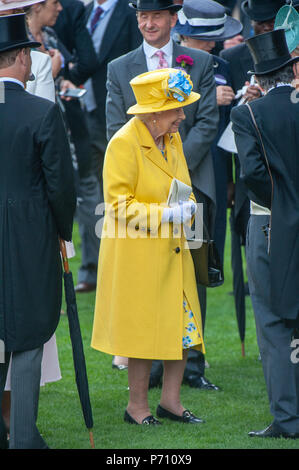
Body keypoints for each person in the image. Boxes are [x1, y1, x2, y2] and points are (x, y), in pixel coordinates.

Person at [106, 0, 219, 391]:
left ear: (174, 19)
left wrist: (175, 162)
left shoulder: (198, 62)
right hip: (141, 190)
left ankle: (193, 367)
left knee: (194, 271)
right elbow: (113, 126)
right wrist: (153, 164)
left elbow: (206, 120)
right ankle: (149, 368)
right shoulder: (118, 67)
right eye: (142, 17)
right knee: (149, 282)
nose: (149, 23)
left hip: (193, 182)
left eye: (156, 16)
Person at [92, 67, 207, 425]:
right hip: (138, 257)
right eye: (177, 109)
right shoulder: (124, 143)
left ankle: (170, 402)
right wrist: (167, 214)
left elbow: (181, 186)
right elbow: (117, 205)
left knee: (184, 330)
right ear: (155, 112)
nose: (182, 117)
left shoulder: (171, 139)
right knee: (141, 336)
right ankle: (136, 407)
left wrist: (190, 221)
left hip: (174, 253)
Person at [0, 13, 76, 449]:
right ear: (22, 61)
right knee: (29, 340)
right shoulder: (43, 113)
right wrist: (61, 232)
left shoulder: (41, 112)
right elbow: (61, 187)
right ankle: (23, 438)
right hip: (31, 243)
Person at [231, 28, 299, 439]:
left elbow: (253, 174)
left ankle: (288, 418)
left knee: (273, 323)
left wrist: (283, 203)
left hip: (270, 224)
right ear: (290, 71)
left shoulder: (248, 114)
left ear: (257, 79)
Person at [219, 0, 285, 352]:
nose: (265, 31)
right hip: (254, 186)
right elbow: (227, 126)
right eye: (258, 25)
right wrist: (246, 103)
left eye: (270, 23)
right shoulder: (233, 60)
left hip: (287, 181)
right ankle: (270, 346)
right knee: (257, 264)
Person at [73, 0, 142, 293]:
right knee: (88, 192)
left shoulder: (129, 15)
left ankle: (124, 265)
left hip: (115, 119)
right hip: (80, 115)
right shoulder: (84, 13)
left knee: (120, 191)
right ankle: (91, 268)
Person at [173, 0, 242, 267]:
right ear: (186, 36)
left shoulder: (221, 66)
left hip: (215, 160)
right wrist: (207, 98)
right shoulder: (168, 63)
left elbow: (225, 125)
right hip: (178, 156)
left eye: (217, 38)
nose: (213, 44)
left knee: (208, 245)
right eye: (207, 39)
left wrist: (228, 177)